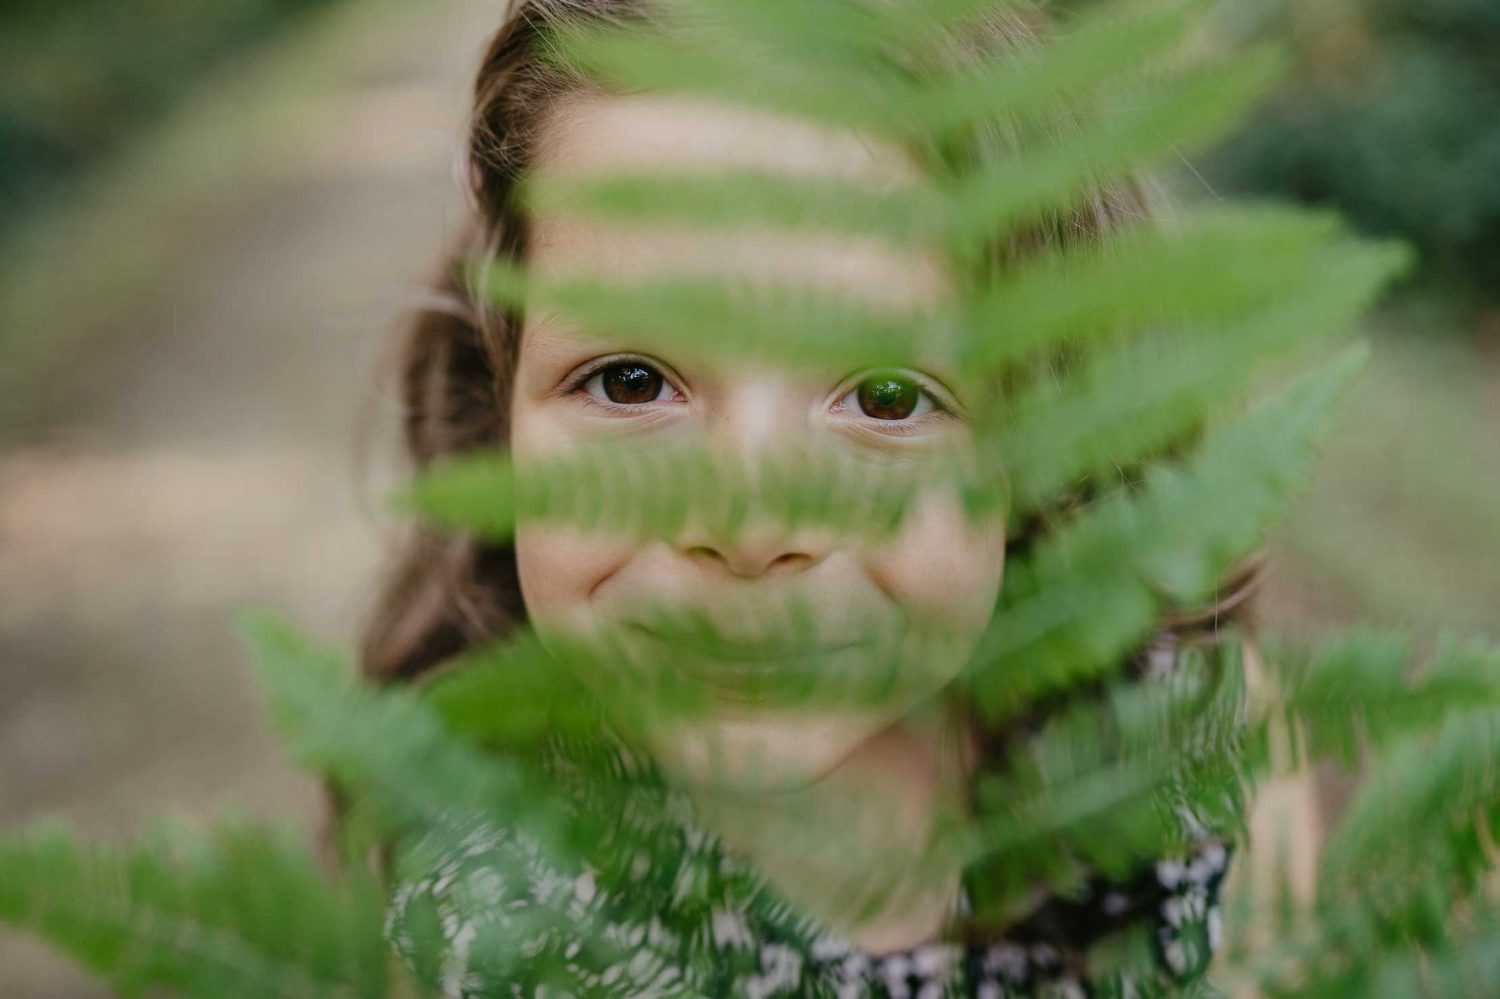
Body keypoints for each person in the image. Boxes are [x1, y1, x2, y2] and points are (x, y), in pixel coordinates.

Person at [359, 1, 1253, 994]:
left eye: (885, 398)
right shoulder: (504, 930)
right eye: (630, 381)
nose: (748, 527)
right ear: (505, 408)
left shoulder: (1173, 736)